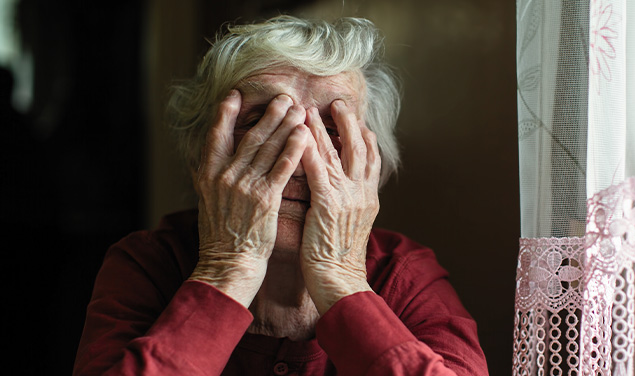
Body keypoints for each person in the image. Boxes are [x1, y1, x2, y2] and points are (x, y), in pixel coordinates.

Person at [73, 15, 487, 375]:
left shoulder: (404, 273)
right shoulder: (149, 264)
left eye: (331, 132)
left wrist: (340, 276)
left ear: (371, 165)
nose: (299, 154)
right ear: (203, 155)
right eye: (262, 124)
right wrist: (228, 266)